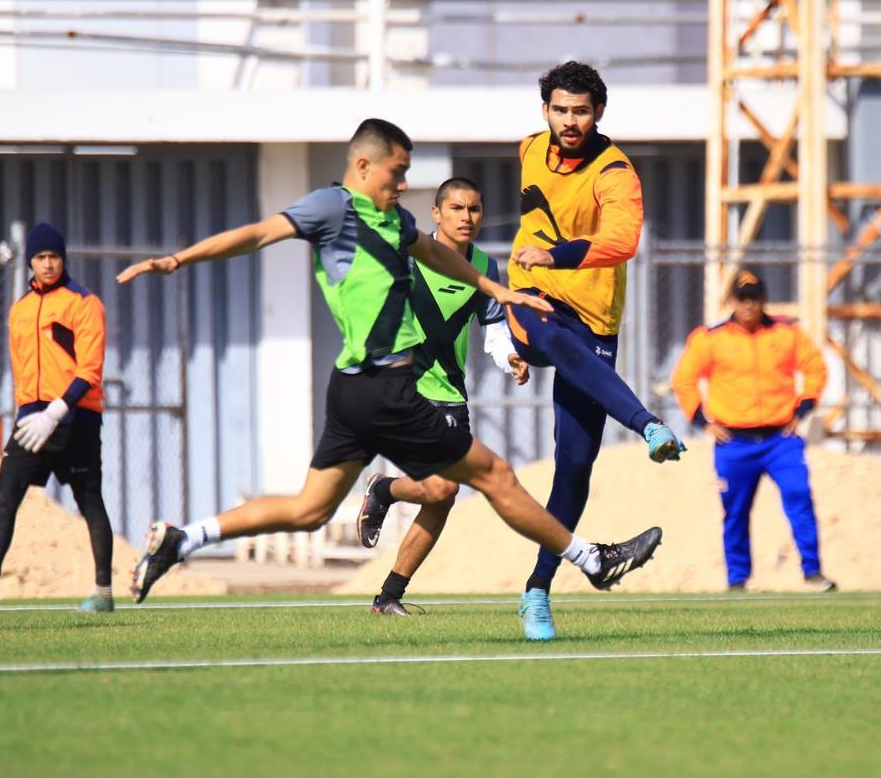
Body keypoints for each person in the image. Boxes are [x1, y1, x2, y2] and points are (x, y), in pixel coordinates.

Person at [115, 118, 662, 605]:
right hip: (387, 388)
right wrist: (177, 259)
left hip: (351, 389)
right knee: (495, 475)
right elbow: (259, 234)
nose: (402, 185)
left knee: (310, 510)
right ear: (363, 165)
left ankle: (184, 538)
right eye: (397, 172)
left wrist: (502, 292)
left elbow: (438, 254)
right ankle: (593, 561)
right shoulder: (333, 207)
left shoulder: (395, 220)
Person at [505, 61, 686, 641]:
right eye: (560, 109)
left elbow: (621, 241)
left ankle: (536, 591)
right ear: (545, 112)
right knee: (548, 334)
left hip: (594, 320)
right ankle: (648, 423)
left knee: (575, 466)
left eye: (580, 110)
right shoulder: (530, 149)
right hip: (532, 298)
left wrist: (556, 255)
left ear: (598, 113)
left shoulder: (615, 171)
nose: (569, 120)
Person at [358, 177, 530, 616]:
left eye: (474, 209)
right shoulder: (408, 258)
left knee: (443, 498)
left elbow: (493, 330)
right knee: (443, 486)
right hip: (404, 391)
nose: (466, 217)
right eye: (456, 208)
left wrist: (510, 355)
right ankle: (385, 491)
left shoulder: (486, 269)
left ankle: (388, 596)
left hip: (450, 395)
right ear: (436, 214)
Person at [0, 223, 114, 614]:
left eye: (54, 256)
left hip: (75, 418)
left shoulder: (83, 303)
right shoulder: (20, 309)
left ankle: (103, 592)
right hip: (32, 421)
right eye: (40, 257)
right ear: (31, 261)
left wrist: (57, 411)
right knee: (5, 495)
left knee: (89, 500)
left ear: (63, 258)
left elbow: (90, 371)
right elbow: (23, 372)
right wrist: (29, 415)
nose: (48, 264)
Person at [670, 269, 835, 593]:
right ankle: (738, 579)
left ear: (764, 300)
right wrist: (703, 421)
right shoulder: (712, 337)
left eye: (755, 298)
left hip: (780, 439)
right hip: (734, 441)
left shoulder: (786, 334)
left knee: (799, 495)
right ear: (732, 300)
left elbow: (815, 368)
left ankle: (813, 572)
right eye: (743, 298)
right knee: (735, 510)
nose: (749, 305)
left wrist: (803, 408)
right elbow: (684, 378)